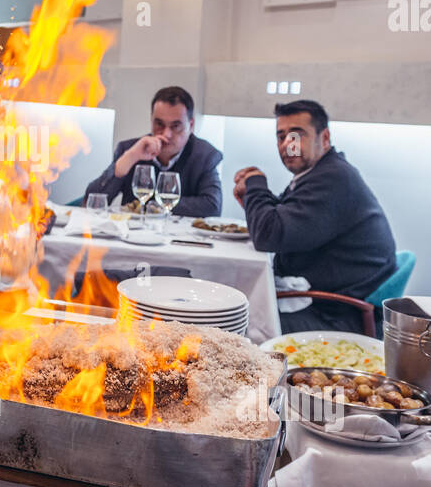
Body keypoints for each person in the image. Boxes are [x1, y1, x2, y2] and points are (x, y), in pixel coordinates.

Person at [233, 100, 396, 334]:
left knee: (231, 324)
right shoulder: (321, 174)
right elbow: (281, 218)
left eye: (297, 135)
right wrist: (254, 200)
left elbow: (268, 234)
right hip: (322, 303)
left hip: (339, 318)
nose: (288, 145)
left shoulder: (335, 178)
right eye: (281, 137)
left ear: (325, 138)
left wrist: (256, 184)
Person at [84, 86, 222, 217]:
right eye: (159, 124)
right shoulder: (130, 149)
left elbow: (212, 207)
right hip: (133, 236)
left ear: (191, 125)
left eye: (175, 126)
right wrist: (130, 157)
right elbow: (92, 201)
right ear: (151, 120)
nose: (166, 134)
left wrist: (152, 204)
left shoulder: (205, 155)